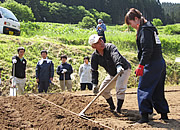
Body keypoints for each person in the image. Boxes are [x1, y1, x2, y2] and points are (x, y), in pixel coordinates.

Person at [125, 8, 169, 123]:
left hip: (151, 63)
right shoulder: (150, 27)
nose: (132, 26)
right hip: (160, 62)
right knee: (157, 90)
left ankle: (144, 116)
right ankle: (164, 115)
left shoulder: (145, 30)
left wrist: (141, 65)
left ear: (136, 19)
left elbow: (147, 50)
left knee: (143, 88)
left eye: (131, 24)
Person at [89, 34, 131, 113]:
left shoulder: (110, 47)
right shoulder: (95, 57)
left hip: (123, 69)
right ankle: (112, 107)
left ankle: (118, 109)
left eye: (101, 40)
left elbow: (115, 55)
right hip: (112, 73)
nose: (101, 42)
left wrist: (118, 65)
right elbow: (94, 70)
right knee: (103, 90)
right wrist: (94, 84)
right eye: (98, 42)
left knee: (119, 88)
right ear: (93, 46)